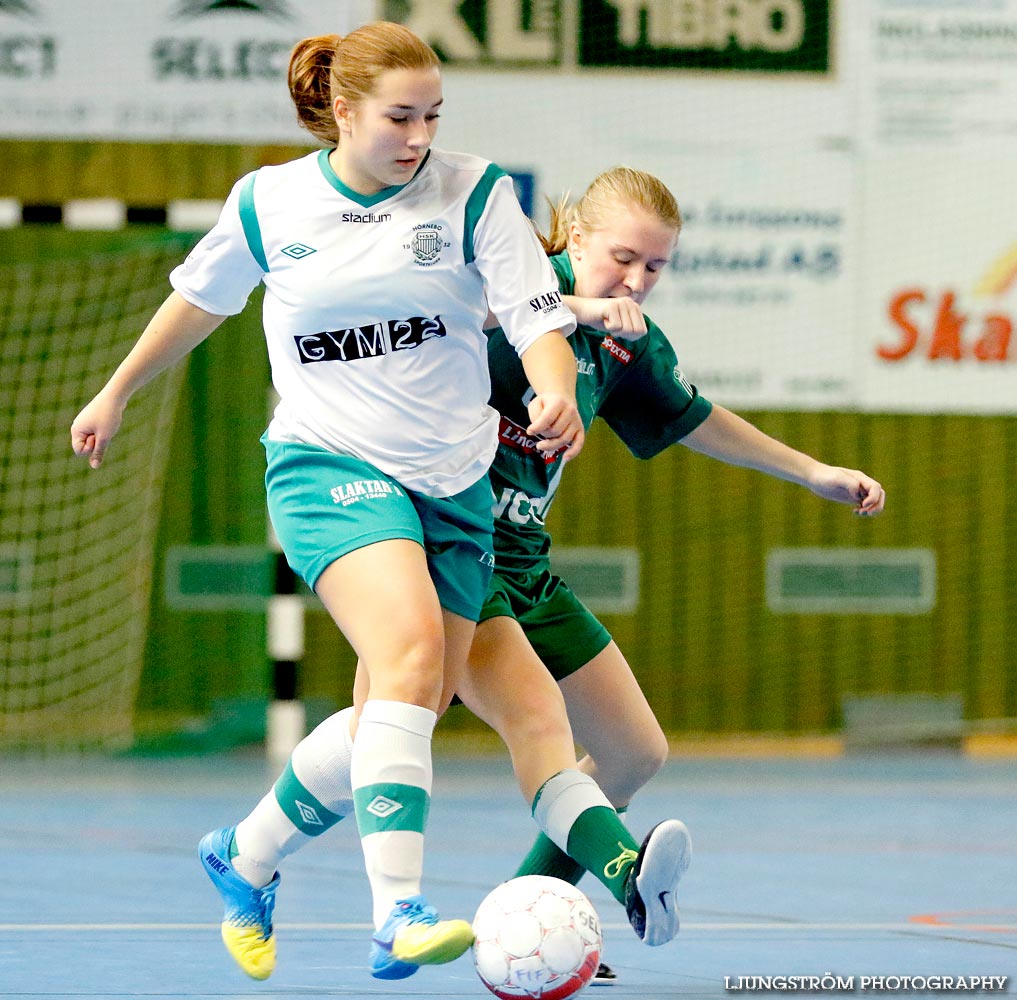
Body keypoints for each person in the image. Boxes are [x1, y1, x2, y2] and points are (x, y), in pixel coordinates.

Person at [72, 27, 694, 986]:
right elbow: (198, 302)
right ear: (344, 110)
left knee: (398, 710)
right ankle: (397, 914)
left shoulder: (476, 193)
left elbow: (535, 316)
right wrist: (115, 391)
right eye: (401, 116)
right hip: (327, 465)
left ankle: (241, 855)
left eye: (433, 115)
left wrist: (555, 388)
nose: (419, 134)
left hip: (450, 488)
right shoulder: (270, 203)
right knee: (407, 657)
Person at [479, 165, 886, 980]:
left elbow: (690, 417)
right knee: (492, 739)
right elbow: (467, 317)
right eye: (621, 258)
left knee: (631, 753)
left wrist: (810, 471)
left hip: (525, 565)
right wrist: (578, 307)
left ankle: (528, 912)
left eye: (655, 267)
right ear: (577, 238)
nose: (635, 281)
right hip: (449, 557)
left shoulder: (626, 340)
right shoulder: (513, 287)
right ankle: (254, 850)